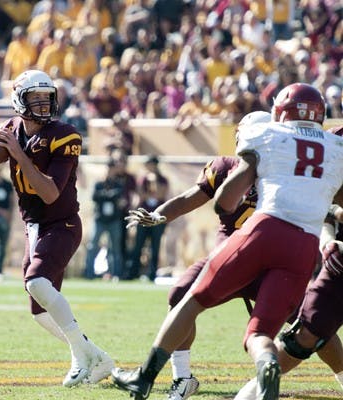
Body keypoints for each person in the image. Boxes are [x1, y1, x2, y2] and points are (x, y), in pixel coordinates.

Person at [111, 82, 343, 400]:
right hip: (303, 248)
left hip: (264, 232)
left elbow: (225, 202)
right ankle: (265, 361)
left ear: (280, 112)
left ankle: (144, 376)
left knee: (193, 299)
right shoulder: (335, 148)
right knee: (261, 333)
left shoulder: (269, 136)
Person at [0, 69, 114, 387]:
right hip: (34, 227)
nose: (43, 105)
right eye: (35, 98)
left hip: (62, 224)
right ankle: (97, 357)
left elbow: (49, 192)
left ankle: (81, 355)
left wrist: (18, 154)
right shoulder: (11, 129)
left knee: (36, 282)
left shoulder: (64, 134)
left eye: (47, 98)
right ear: (20, 101)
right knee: (40, 312)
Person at [124, 111, 272, 400]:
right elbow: (187, 199)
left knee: (310, 323)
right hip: (228, 258)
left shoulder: (283, 175)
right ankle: (183, 378)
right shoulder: (225, 167)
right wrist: (158, 215)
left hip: (268, 262)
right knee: (179, 295)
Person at [234, 201, 343, 400]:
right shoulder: (332, 172)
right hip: (340, 263)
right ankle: (254, 391)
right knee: (307, 333)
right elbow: (327, 208)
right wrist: (328, 243)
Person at [84, 157, 129, 280]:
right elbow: (95, 197)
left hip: (114, 220)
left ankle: (116, 274)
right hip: (99, 219)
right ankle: (89, 273)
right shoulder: (99, 183)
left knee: (115, 248)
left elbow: (119, 197)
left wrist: (106, 195)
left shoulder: (119, 184)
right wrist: (110, 195)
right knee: (93, 245)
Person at [126, 155, 169, 282]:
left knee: (155, 246)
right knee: (138, 245)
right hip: (144, 217)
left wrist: (154, 182)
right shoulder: (143, 179)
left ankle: (152, 273)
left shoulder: (162, 180)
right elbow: (141, 195)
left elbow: (161, 194)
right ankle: (133, 272)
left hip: (157, 217)